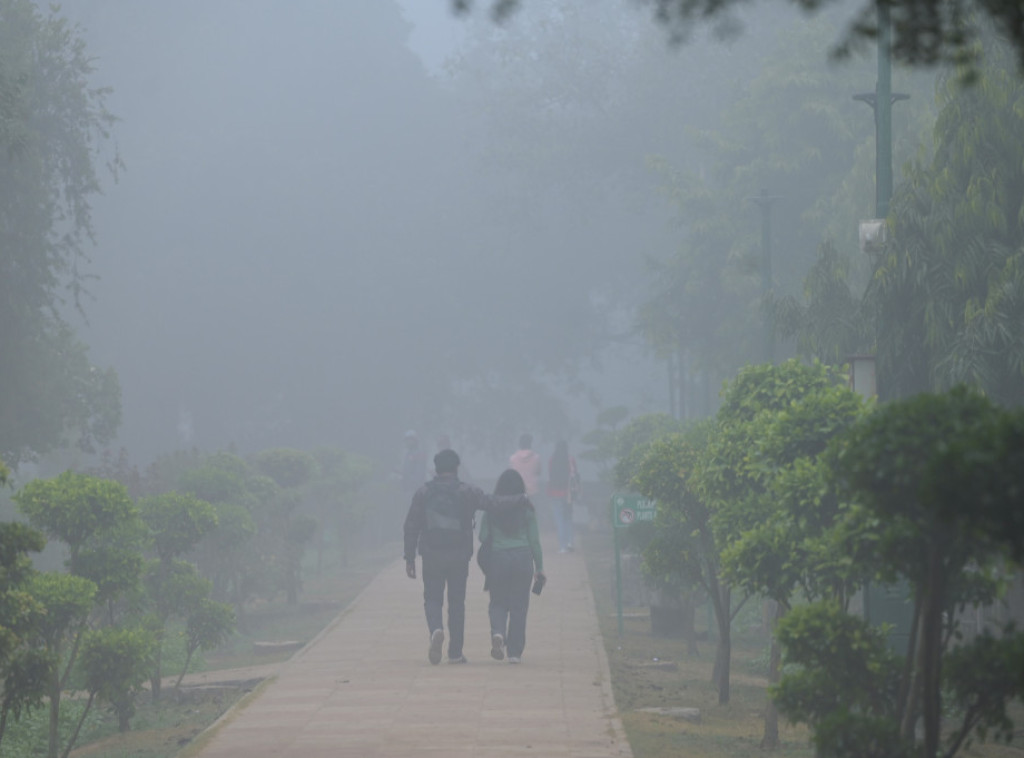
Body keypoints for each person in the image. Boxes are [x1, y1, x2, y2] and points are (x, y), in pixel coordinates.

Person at [403, 448, 489, 664]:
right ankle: (455, 652)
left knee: (432, 598)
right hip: (459, 555)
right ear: (456, 468)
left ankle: (436, 629)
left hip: (431, 554)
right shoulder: (466, 491)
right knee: (457, 602)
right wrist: (519, 499)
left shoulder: (423, 492)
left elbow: (411, 525)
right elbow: (491, 503)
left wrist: (409, 557)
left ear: (436, 468)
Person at [479, 469, 544, 664]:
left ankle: (498, 633)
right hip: (523, 559)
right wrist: (539, 568)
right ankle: (514, 653)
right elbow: (534, 541)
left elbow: (482, 537)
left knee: (498, 602)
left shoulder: (491, 508)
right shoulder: (527, 509)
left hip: (498, 559)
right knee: (519, 606)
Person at [546, 439, 580, 553]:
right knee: (568, 518)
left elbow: (550, 475)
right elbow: (575, 475)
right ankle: (570, 542)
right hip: (568, 493)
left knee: (559, 519)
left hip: (555, 492)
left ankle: (562, 546)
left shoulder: (552, 460)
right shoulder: (570, 459)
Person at [508, 433, 542, 498]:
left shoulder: (512, 459)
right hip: (533, 490)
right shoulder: (536, 458)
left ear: (520, 444)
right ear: (530, 443)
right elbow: (539, 472)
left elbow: (511, 475)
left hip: (517, 491)